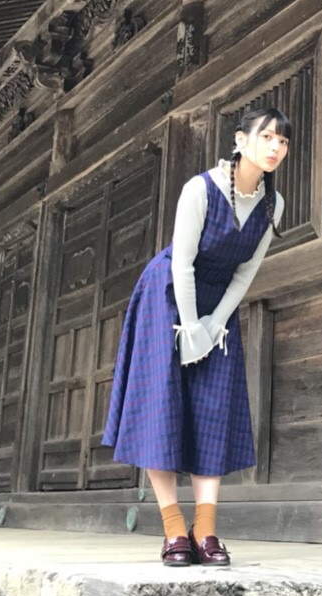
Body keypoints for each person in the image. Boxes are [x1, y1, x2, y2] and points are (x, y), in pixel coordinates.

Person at [102, 106, 290, 567]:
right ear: (240, 140)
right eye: (266, 137)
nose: (275, 147)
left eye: (283, 141)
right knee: (161, 409)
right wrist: (188, 328)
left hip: (218, 307)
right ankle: (173, 530)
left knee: (213, 408)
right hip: (167, 295)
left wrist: (215, 325)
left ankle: (204, 530)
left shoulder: (273, 204)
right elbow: (183, 263)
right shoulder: (200, 189)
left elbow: (244, 275)